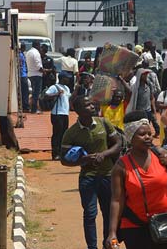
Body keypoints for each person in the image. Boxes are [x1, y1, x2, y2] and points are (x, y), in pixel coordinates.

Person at [105, 111, 167, 249]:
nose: (148, 137)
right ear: (131, 138)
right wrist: (112, 232)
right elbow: (117, 200)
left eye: (149, 133)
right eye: (142, 134)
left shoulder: (162, 156)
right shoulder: (121, 167)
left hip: (165, 223)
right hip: (135, 227)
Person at [61, 96, 123, 249]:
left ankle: (109, 244)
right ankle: (92, 247)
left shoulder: (103, 123)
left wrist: (104, 154)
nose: (92, 106)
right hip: (88, 178)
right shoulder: (71, 133)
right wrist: (83, 160)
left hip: (108, 176)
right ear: (78, 110)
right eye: (87, 104)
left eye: (91, 103)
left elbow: (118, 144)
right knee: (90, 214)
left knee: (109, 214)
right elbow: (64, 160)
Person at [45, 71, 71, 161]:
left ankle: (61, 153)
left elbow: (69, 99)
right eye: (67, 78)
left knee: (64, 134)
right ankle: (55, 153)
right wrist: (57, 93)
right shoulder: (54, 87)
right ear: (62, 78)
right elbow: (46, 95)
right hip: (57, 113)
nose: (68, 79)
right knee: (57, 134)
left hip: (65, 114)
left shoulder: (67, 88)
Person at [128, 68, 160, 135]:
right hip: (139, 111)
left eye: (146, 74)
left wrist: (154, 111)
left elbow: (152, 98)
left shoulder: (149, 86)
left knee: (148, 127)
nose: (146, 76)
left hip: (148, 111)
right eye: (144, 75)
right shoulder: (135, 88)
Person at [25, 40, 44, 114]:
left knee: (33, 93)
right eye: (39, 46)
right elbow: (38, 65)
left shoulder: (28, 52)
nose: (40, 47)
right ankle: (34, 109)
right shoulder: (36, 53)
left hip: (30, 74)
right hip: (37, 75)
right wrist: (43, 71)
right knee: (36, 93)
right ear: (37, 45)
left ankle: (32, 108)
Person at [18, 43, 30, 112]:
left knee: (23, 92)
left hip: (23, 75)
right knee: (25, 92)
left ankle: (24, 106)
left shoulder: (21, 54)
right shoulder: (20, 55)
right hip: (22, 75)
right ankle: (25, 107)